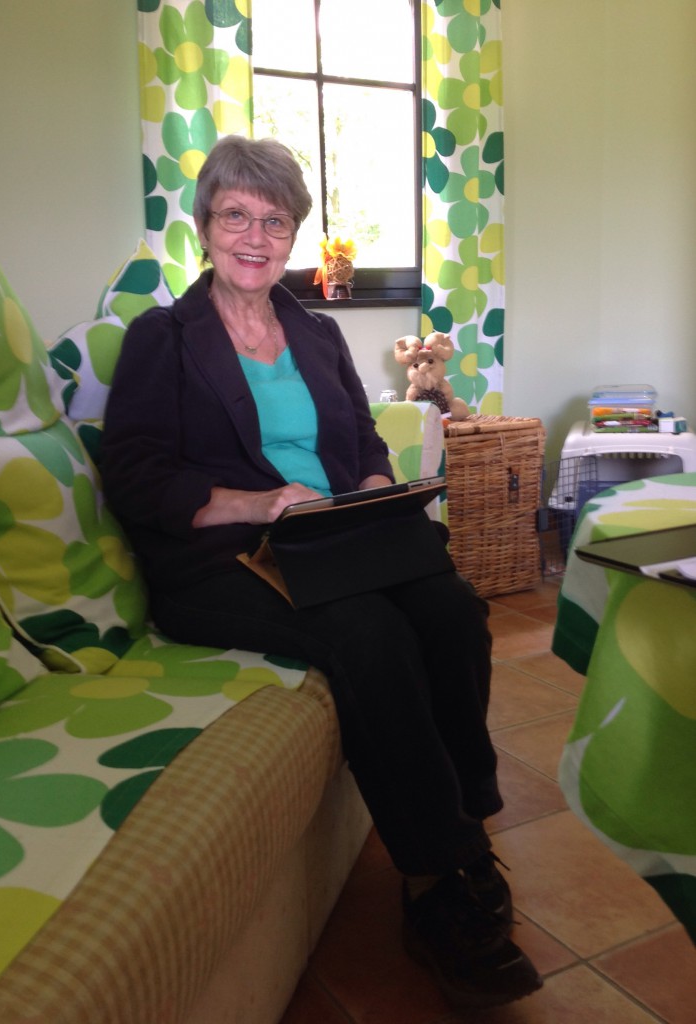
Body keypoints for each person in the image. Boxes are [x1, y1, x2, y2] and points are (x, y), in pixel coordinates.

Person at [100, 135, 543, 1010]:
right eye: (236, 215)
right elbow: (135, 475)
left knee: (452, 609)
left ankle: (466, 824)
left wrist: (375, 485)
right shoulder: (163, 338)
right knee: (369, 635)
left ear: (294, 237)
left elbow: (361, 439)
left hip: (335, 538)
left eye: (276, 221)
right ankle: (434, 881)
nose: (255, 237)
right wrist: (258, 502)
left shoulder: (315, 331)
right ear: (204, 226)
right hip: (226, 557)